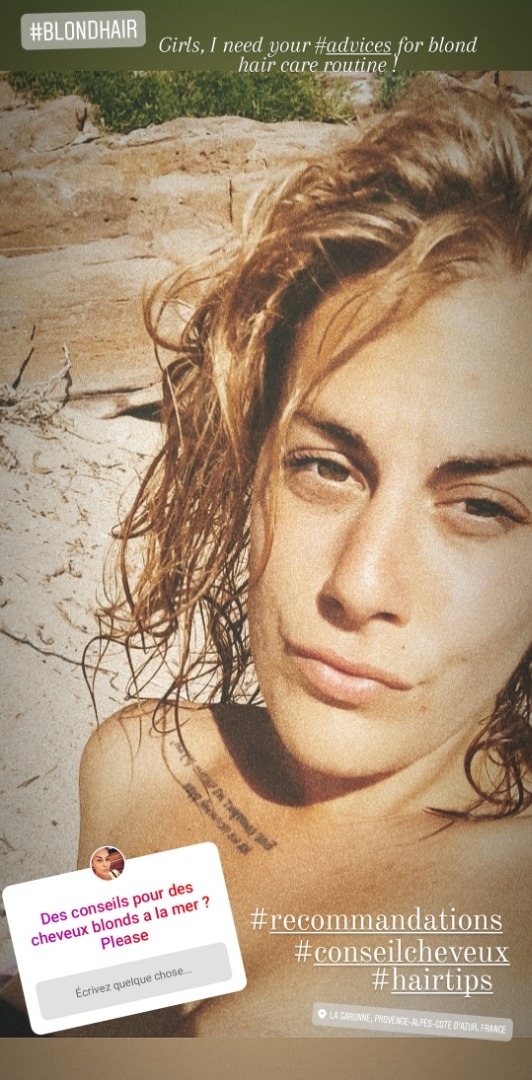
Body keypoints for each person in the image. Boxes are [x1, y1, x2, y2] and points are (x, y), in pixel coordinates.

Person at [75, 79, 532, 1035]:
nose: (359, 586)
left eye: (481, 507)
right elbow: (85, 1024)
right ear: (251, 463)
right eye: (327, 466)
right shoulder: (145, 771)